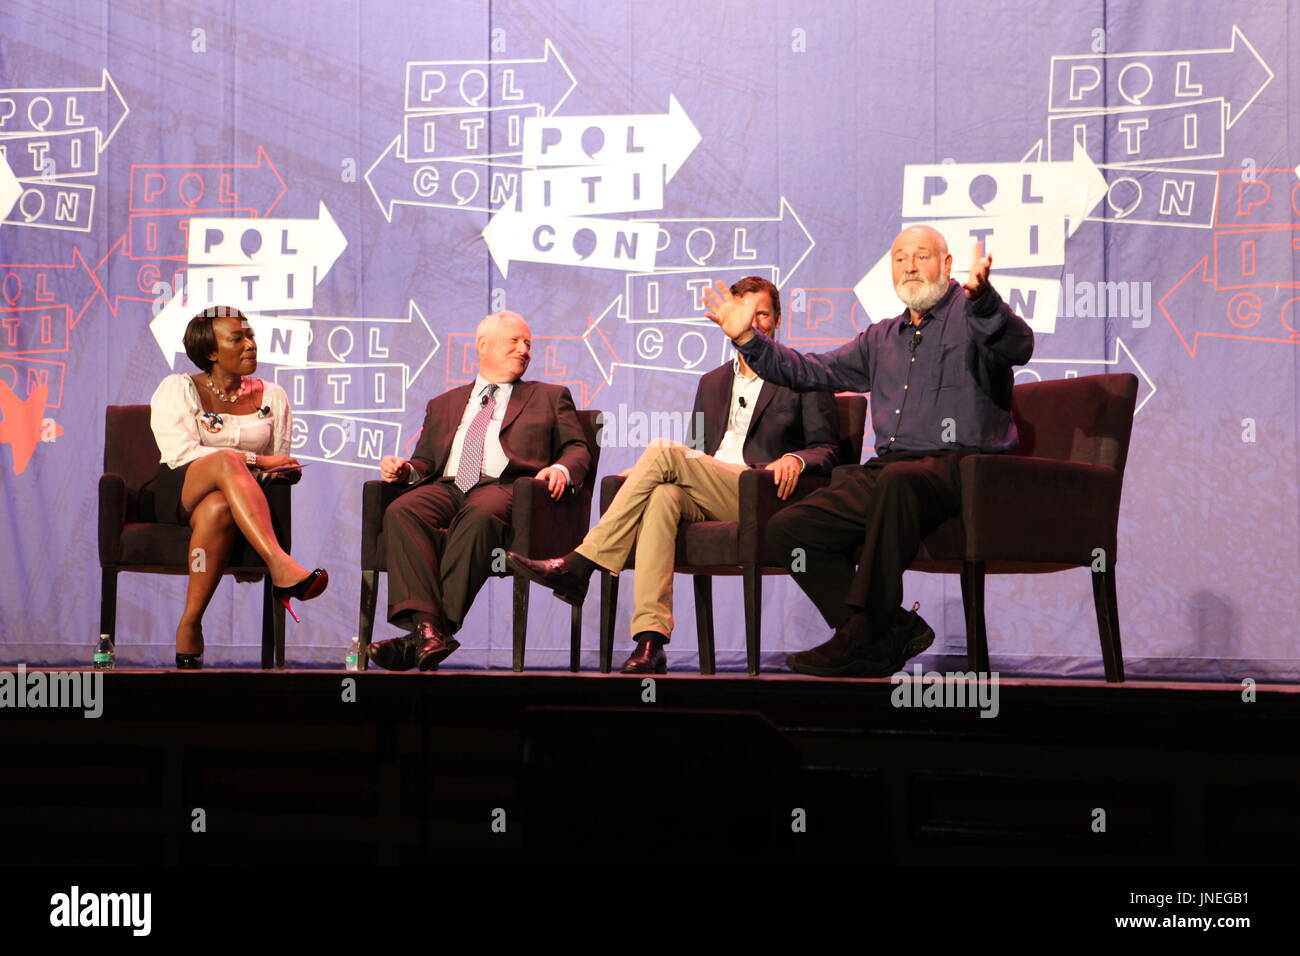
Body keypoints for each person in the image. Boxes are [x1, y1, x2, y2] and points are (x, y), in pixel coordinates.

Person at [702, 226, 1034, 677]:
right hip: (892, 469)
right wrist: (748, 342)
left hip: (962, 468)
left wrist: (986, 302)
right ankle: (887, 629)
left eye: (921, 256)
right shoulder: (882, 338)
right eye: (900, 259)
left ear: (947, 265)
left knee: (899, 481)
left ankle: (859, 636)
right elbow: (810, 370)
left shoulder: (973, 315)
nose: (910, 266)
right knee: (789, 529)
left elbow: (1020, 345)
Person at [508, 276, 840, 673]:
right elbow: (694, 453)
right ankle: (650, 642)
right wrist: (648, 471)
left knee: (663, 453)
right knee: (662, 495)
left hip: (764, 494)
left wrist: (797, 459)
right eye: (744, 314)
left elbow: (828, 448)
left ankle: (580, 563)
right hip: (712, 487)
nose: (753, 323)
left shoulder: (802, 375)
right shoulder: (712, 382)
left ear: (778, 320)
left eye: (762, 314)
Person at [366, 311, 592, 672]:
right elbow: (424, 461)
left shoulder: (549, 396)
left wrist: (560, 467)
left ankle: (429, 630)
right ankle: (429, 631)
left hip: (507, 487)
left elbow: (577, 447)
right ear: (483, 346)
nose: (524, 350)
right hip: (448, 485)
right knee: (402, 510)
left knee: (480, 512)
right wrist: (405, 470)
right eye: (514, 341)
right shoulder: (444, 404)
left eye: (528, 344)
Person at [142, 305, 328, 669]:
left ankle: (190, 624)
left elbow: (278, 457)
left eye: (251, 336)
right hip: (177, 490)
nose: (250, 345)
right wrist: (257, 461)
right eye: (237, 338)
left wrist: (282, 471)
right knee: (225, 460)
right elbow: (179, 452)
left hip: (233, 500)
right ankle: (280, 564)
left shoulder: (272, 395)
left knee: (219, 508)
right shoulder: (179, 388)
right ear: (211, 352)